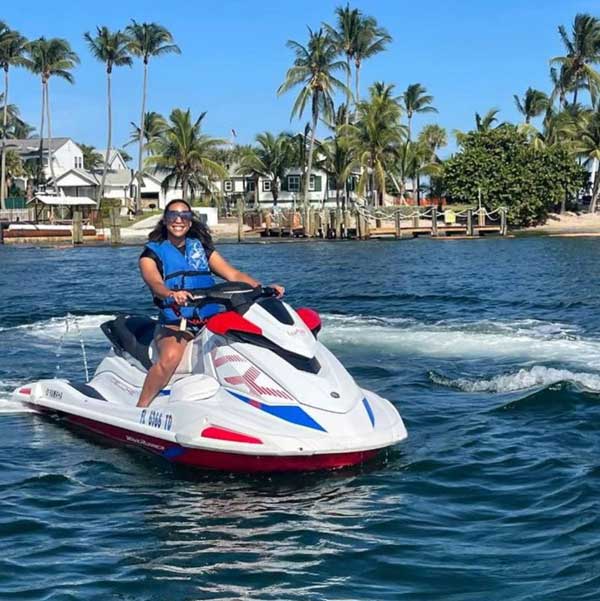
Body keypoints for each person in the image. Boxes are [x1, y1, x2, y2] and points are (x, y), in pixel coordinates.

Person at [137, 199, 284, 407]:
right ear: (165, 220)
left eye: (184, 216)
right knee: (170, 357)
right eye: (172, 215)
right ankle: (141, 407)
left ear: (190, 221)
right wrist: (171, 293)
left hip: (211, 321)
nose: (178, 220)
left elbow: (232, 273)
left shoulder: (201, 249)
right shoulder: (151, 254)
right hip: (176, 324)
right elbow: (155, 283)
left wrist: (262, 288)